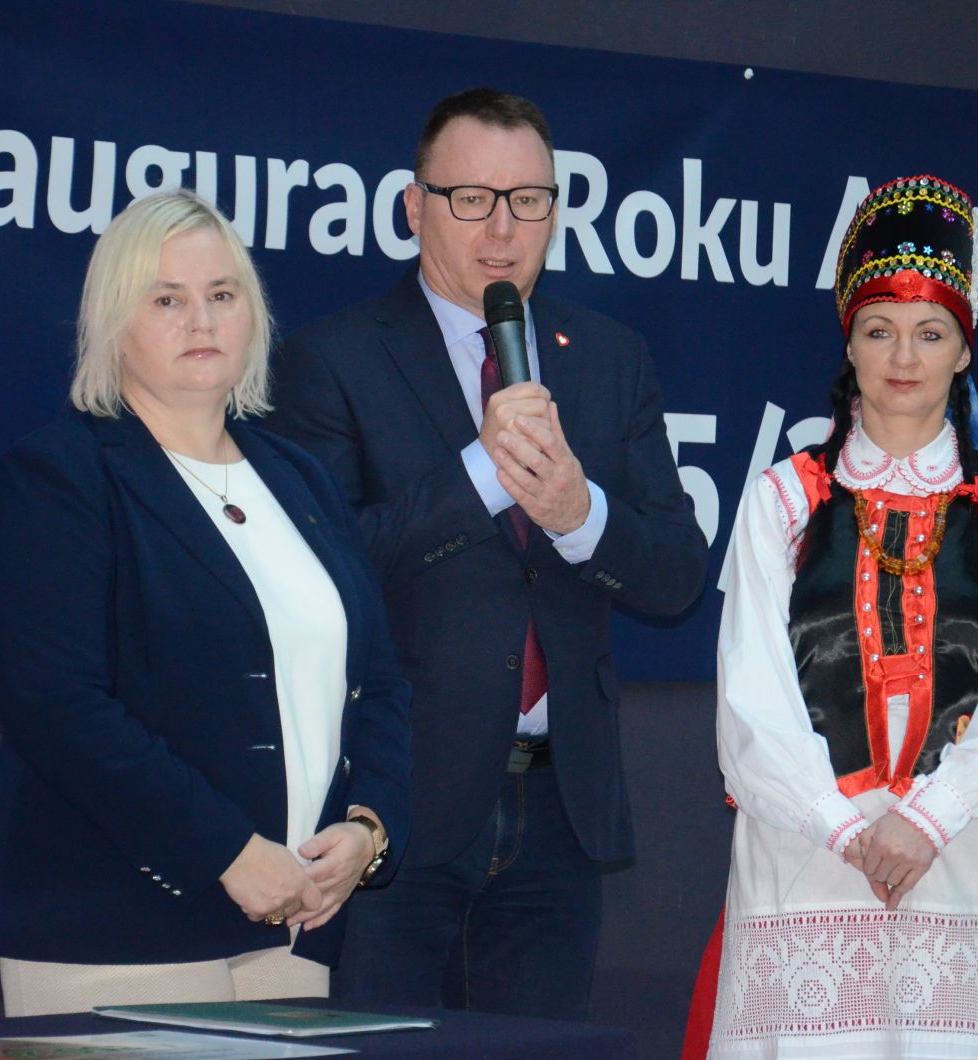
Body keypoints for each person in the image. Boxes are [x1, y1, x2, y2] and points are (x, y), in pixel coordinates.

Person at [265, 88, 708, 1021]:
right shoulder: (331, 360)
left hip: (560, 812)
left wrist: (579, 514)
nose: (503, 229)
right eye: (471, 198)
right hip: (395, 806)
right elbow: (320, 571)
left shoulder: (609, 356)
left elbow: (676, 574)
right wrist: (478, 475)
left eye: (529, 200)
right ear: (413, 206)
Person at [0, 189, 411, 1016]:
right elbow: (54, 704)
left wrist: (368, 830)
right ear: (114, 323)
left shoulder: (300, 479)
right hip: (107, 923)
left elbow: (376, 680)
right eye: (166, 299)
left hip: (294, 923)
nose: (201, 320)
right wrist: (228, 851)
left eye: (222, 294)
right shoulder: (61, 476)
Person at [698, 176, 978, 1057]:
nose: (904, 356)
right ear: (850, 344)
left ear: (963, 351)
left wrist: (927, 820)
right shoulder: (783, 499)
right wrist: (845, 829)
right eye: (880, 330)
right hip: (809, 855)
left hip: (968, 856)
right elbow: (750, 698)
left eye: (930, 333)